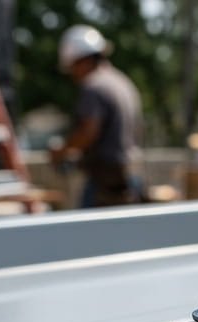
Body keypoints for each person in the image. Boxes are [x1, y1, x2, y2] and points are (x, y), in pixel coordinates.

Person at [49, 25, 143, 207]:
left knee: (86, 233)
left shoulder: (93, 87)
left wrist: (63, 150)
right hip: (131, 177)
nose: (73, 75)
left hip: (106, 181)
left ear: (81, 61)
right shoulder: (122, 82)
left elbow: (88, 131)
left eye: (73, 67)